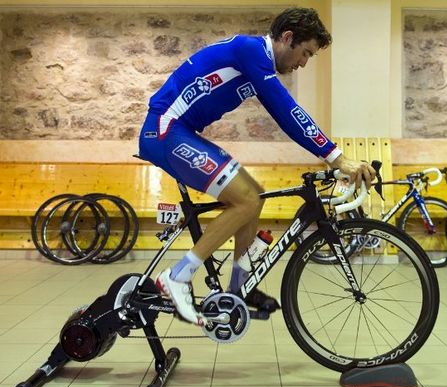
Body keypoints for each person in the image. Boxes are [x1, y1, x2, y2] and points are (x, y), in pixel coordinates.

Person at [138, 7, 376, 326]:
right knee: (246, 199)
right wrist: (337, 157)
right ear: (287, 38)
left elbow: (285, 112)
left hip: (181, 131)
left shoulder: (255, 60)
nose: (303, 63)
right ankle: (176, 278)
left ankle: (238, 289)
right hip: (165, 130)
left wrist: (333, 154)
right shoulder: (251, 51)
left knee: (255, 197)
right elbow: (286, 110)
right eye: (304, 53)